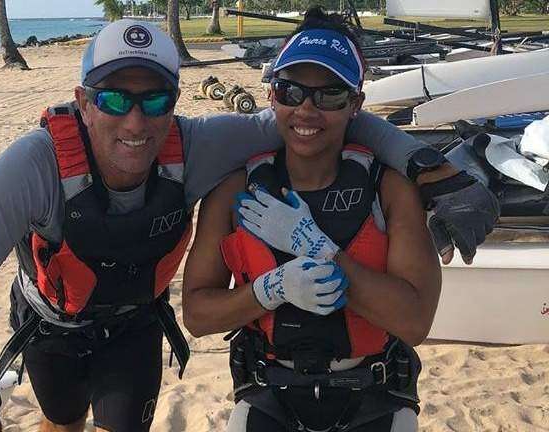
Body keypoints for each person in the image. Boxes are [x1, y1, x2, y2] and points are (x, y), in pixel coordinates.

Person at [0, 18, 494, 432]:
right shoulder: (34, 167)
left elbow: (314, 121)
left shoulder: (195, 147)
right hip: (51, 322)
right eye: (114, 99)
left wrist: (422, 165)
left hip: (135, 322)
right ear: (81, 100)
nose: (136, 121)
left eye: (156, 100)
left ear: (177, 101)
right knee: (60, 422)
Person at [182, 8, 442, 431]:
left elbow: (414, 322)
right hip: (269, 394)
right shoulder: (234, 191)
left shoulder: (389, 189)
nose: (306, 109)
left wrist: (320, 250)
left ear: (355, 104)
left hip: (374, 397)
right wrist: (271, 289)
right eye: (290, 91)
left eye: (330, 95)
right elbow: (196, 314)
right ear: (271, 96)